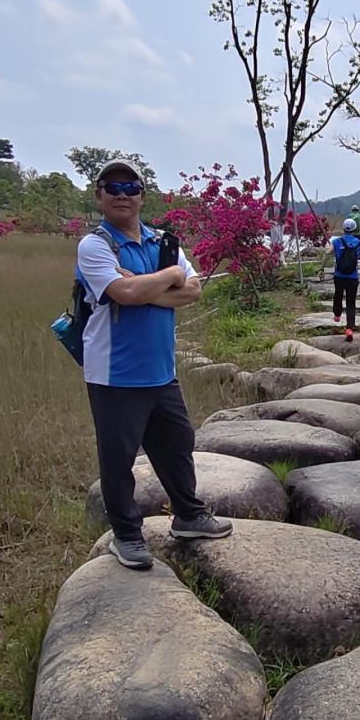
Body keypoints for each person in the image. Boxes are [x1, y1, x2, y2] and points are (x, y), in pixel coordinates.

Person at [77, 157, 232, 569]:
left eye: (131, 188)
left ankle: (189, 516)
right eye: (113, 187)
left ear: (142, 196)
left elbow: (193, 291)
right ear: (99, 195)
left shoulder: (164, 242)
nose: (122, 195)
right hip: (114, 374)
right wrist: (166, 279)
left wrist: (142, 286)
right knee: (118, 459)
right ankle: (127, 536)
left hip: (161, 372)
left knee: (177, 446)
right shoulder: (95, 245)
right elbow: (124, 294)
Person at [328, 217, 360, 342]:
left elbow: (327, 253)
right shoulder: (358, 243)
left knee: (338, 295)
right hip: (353, 277)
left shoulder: (336, 241)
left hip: (339, 275)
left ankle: (337, 314)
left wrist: (322, 266)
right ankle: (349, 328)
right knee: (351, 302)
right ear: (354, 229)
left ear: (343, 228)